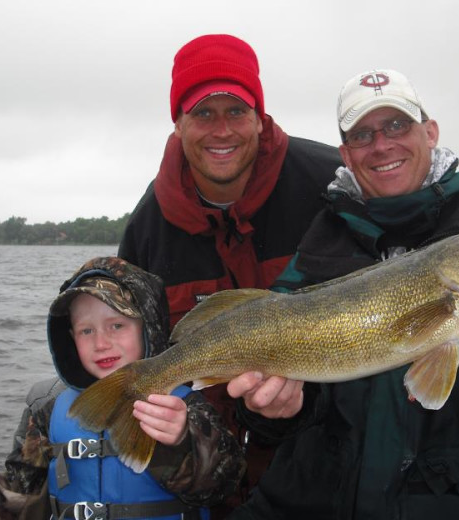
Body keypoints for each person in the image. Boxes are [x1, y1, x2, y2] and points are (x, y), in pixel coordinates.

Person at [226, 69, 459, 519]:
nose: (382, 144)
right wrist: (273, 408)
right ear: (346, 154)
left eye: (397, 125)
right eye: (363, 134)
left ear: (429, 132)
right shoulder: (314, 254)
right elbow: (279, 418)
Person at [118, 34, 343, 516]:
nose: (221, 131)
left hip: (328, 478)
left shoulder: (333, 183)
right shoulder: (146, 228)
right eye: (203, 113)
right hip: (213, 486)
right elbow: (131, 347)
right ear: (178, 123)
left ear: (260, 119)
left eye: (236, 111)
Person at [0, 257, 245, 520]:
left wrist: (181, 442)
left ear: (148, 327)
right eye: (87, 330)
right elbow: (13, 496)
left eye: (117, 325)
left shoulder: (186, 404)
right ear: (70, 338)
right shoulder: (47, 408)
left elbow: (222, 487)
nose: (101, 343)